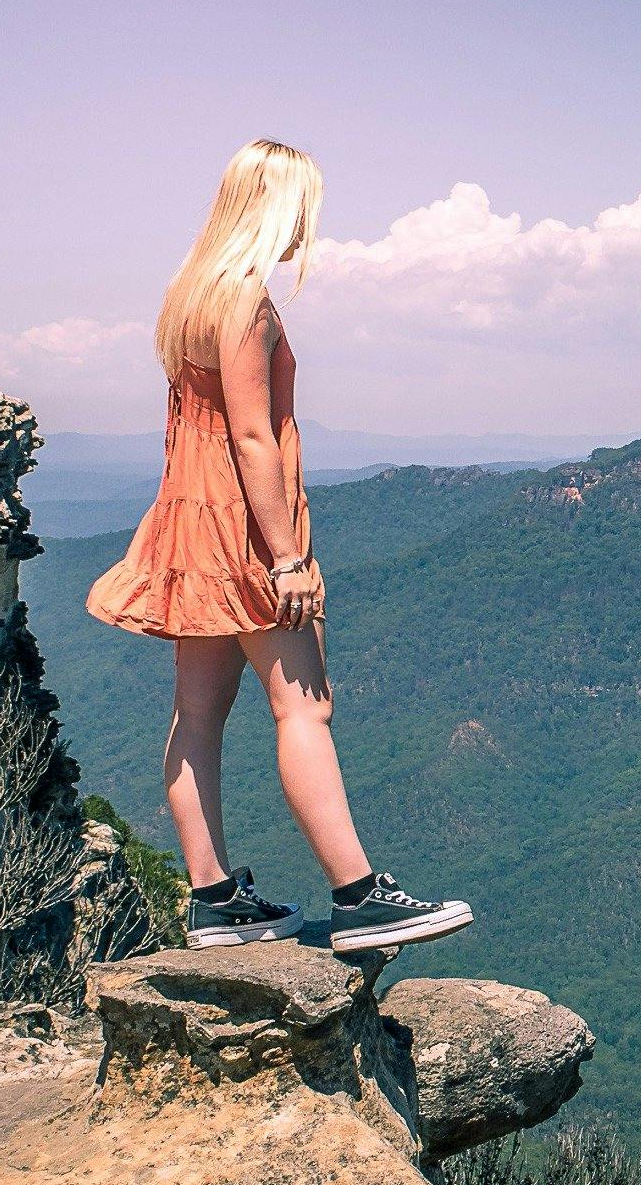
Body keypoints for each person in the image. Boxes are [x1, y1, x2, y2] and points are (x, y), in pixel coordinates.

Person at [83, 139, 472, 955]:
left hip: (189, 520)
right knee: (304, 705)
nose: (308, 227)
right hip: (246, 531)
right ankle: (359, 895)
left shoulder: (188, 297)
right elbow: (254, 437)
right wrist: (287, 556)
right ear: (275, 206)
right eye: (304, 208)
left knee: (197, 715)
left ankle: (213, 898)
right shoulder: (247, 304)